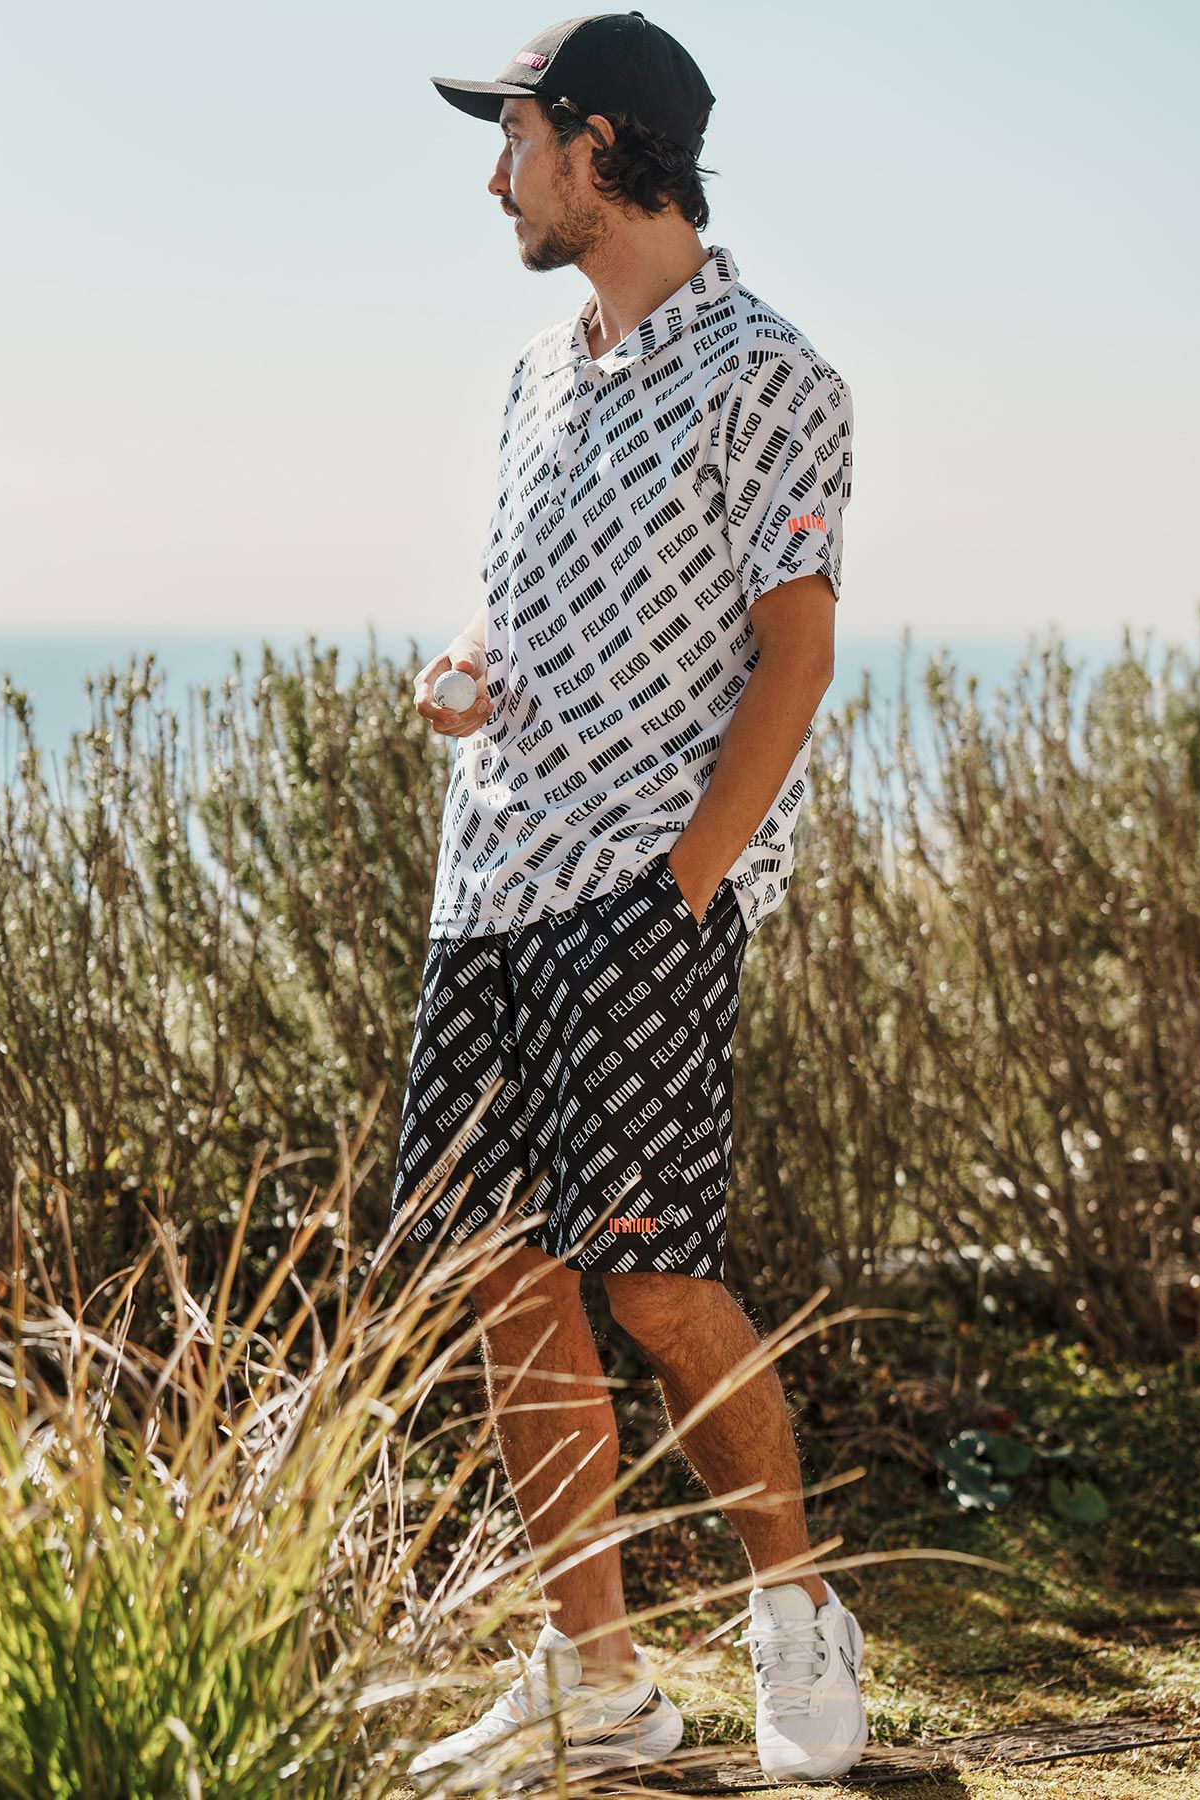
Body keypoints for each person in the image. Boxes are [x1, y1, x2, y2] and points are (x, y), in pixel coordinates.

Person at [390, 11, 861, 1788]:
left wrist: (686, 886)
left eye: (513, 138)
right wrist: (468, 665)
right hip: (488, 889)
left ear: (600, 145)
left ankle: (795, 1612)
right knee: (505, 1280)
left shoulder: (774, 374)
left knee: (655, 1282)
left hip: (642, 896)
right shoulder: (534, 374)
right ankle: (596, 1679)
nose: (493, 178)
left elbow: (794, 657)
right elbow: (521, 600)